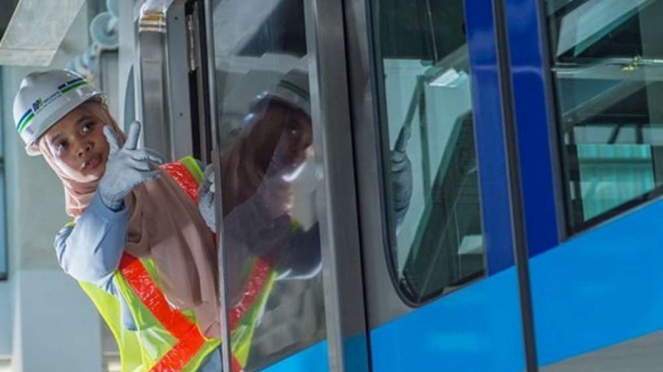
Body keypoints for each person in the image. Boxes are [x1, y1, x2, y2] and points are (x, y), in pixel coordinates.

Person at [13, 69, 223, 372]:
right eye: (62, 145)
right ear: (50, 160)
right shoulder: (74, 242)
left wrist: (227, 222)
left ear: (107, 119)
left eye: (87, 126)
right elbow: (93, 261)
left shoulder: (188, 177)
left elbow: (267, 258)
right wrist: (109, 194)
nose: (81, 146)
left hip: (257, 351)